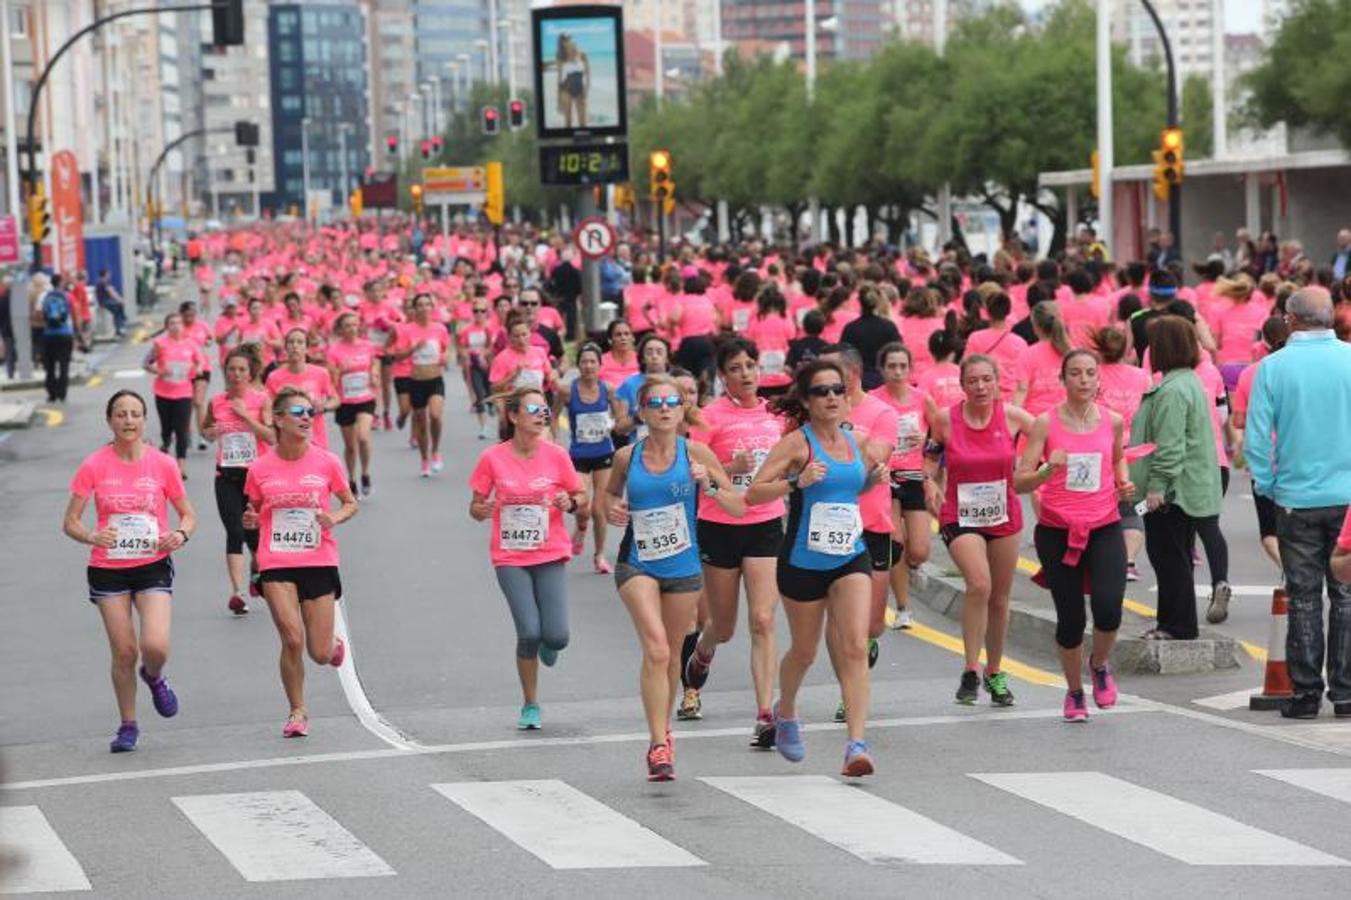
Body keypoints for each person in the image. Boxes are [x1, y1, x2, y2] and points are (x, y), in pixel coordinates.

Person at [746, 359, 888, 777]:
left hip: (849, 553)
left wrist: (871, 481)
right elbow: (755, 493)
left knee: (856, 645)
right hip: (804, 561)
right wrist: (796, 482)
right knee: (805, 651)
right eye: (821, 391)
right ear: (806, 401)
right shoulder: (796, 444)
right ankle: (786, 710)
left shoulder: (857, 441)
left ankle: (856, 745)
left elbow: (851, 486)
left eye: (837, 390)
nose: (831, 398)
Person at [603, 375, 742, 781]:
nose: (664, 408)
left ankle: (664, 732)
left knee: (669, 651)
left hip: (683, 567)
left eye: (672, 402)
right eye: (656, 402)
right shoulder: (627, 457)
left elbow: (736, 505)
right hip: (637, 563)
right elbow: (610, 495)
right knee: (658, 650)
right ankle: (657, 744)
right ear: (643, 412)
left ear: (682, 411)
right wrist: (613, 510)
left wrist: (708, 485)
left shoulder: (696, 452)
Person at [63, 390, 197, 753]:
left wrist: (180, 535)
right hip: (108, 568)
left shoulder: (163, 464)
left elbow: (188, 514)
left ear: (144, 420)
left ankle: (153, 676)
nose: (128, 420)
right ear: (110, 421)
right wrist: (92, 534)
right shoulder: (94, 465)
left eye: (135, 414)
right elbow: (70, 522)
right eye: (121, 414)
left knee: (154, 645)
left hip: (152, 563)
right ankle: (128, 725)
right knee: (123, 651)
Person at [1246, 288, 1351, 719]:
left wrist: (1271, 484)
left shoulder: (1272, 368)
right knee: (1345, 595)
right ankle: (1346, 693)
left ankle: (1306, 692)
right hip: (1348, 500)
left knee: (1304, 596)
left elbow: (1256, 440)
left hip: (1296, 498)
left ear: (1291, 320)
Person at [1014, 350, 1131, 722]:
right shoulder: (1045, 425)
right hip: (1057, 530)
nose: (1083, 380)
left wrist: (1125, 484)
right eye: (1075, 373)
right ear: (1063, 380)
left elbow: (1116, 459)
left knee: (1110, 606)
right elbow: (1019, 479)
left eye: (1090, 373)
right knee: (1070, 619)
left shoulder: (1112, 421)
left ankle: (1098, 664)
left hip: (1104, 524)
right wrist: (1048, 470)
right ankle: (1074, 691)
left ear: (1099, 379)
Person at [682, 339, 786, 745]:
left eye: (751, 366)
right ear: (722, 375)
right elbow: (699, 477)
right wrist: (730, 468)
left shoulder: (776, 415)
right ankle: (703, 650)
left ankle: (764, 712)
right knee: (723, 627)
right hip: (720, 524)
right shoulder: (707, 418)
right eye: (737, 368)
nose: (746, 374)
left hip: (765, 523)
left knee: (762, 618)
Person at [242, 386, 359, 738]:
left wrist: (334, 518)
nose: (307, 418)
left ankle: (332, 646)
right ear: (277, 420)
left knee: (319, 652)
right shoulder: (259, 468)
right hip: (276, 559)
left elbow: (350, 502)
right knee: (291, 638)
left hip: (318, 558)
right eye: (298, 412)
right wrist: (251, 519)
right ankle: (297, 711)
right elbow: (255, 510)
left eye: (310, 412)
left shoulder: (327, 461)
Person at [470, 387, 588, 730]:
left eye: (544, 410)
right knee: (528, 632)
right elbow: (474, 507)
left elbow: (581, 494)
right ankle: (530, 704)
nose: (541, 415)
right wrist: (484, 508)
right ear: (514, 416)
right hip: (510, 557)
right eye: (533, 409)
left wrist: (572, 502)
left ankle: (550, 644)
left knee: (557, 636)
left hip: (550, 552)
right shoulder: (492, 458)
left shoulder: (556, 455)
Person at [926, 355, 1034, 705]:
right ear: (962, 385)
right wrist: (929, 481)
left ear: (997, 382)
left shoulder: (1014, 418)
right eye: (973, 380)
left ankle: (995, 671)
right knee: (979, 584)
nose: (981, 387)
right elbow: (928, 458)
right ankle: (971, 669)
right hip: (960, 513)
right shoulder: (945, 421)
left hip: (1003, 514)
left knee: (1000, 599)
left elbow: (1051, 435)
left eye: (987, 379)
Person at [1127, 316, 1222, 642]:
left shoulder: (1172, 390)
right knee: (1175, 557)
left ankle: (1177, 626)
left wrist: (1156, 487)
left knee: (1169, 558)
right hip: (1186, 488)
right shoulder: (1187, 381)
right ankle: (1171, 623)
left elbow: (1169, 446)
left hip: (1173, 491)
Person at [202, 348, 273, 614]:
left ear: (250, 372)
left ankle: (257, 573)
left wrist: (245, 417)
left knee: (256, 536)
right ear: (226, 372)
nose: (236, 374)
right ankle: (238, 592)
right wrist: (211, 432)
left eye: (242, 369)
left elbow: (271, 437)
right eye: (232, 369)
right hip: (227, 477)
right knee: (234, 531)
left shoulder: (261, 400)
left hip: (256, 479)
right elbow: (206, 432)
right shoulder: (216, 402)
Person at [871, 343, 937, 629]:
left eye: (902, 366)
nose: (898, 372)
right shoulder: (874, 401)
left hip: (914, 476)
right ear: (882, 370)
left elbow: (938, 439)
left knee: (919, 549)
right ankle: (903, 608)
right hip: (885, 478)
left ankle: (914, 565)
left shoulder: (923, 400)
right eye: (891, 366)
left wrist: (930, 474)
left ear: (911, 369)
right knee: (895, 544)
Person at [1090, 326, 1152, 581]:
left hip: (1102, 448)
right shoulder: (1143, 376)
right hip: (1137, 449)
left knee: (1100, 506)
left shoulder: (1091, 377)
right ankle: (1127, 561)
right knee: (1132, 509)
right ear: (1126, 349)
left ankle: (1100, 559)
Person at [566, 343, 625, 573]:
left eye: (593, 361)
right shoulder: (567, 390)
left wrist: (615, 422)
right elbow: (553, 413)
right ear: (578, 364)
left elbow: (620, 416)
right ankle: (581, 525)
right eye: (584, 361)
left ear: (600, 365)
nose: (588, 366)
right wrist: (554, 443)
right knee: (582, 506)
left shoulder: (608, 389)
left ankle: (599, 556)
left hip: (603, 454)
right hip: (579, 454)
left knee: (600, 510)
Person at [390, 293, 451, 477]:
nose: (424, 308)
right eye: (420, 305)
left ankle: (435, 452)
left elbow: (446, 349)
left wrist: (445, 357)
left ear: (432, 308)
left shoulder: (440, 329)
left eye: (427, 304)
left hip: (435, 380)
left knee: (435, 415)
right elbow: (397, 356)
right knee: (421, 424)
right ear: (415, 309)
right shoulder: (407, 330)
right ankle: (424, 459)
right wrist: (413, 349)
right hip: (415, 381)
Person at [145, 312, 206, 479]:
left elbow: (200, 360)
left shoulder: (191, 344)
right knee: (167, 427)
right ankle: (165, 441)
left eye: (178, 322)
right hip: (163, 392)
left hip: (184, 393)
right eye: (172, 323)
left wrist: (199, 367)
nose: (176, 326)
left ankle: (181, 467)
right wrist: (159, 371)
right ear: (167, 327)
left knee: (182, 430)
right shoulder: (160, 344)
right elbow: (146, 363)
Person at [327, 312, 380, 496]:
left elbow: (374, 364)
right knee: (350, 446)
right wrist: (339, 371)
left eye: (354, 325)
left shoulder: (367, 346)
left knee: (363, 437)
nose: (352, 328)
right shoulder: (334, 351)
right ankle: (351, 478)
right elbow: (331, 380)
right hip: (345, 401)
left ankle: (365, 473)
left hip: (365, 398)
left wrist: (374, 374)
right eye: (347, 325)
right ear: (341, 329)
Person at [266, 328, 339, 453]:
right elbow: (268, 408)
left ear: (307, 348)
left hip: (316, 439)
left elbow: (335, 399)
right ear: (286, 348)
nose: (295, 346)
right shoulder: (274, 377)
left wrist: (324, 407)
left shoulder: (321, 373)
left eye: (300, 342)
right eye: (291, 342)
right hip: (288, 441)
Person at [840, 285, 901, 390]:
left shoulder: (850, 328)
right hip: (882, 381)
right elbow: (898, 352)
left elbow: (843, 357)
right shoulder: (888, 327)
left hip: (858, 381)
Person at [40, 274, 76, 403]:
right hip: (65, 334)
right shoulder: (68, 296)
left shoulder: (46, 297)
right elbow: (74, 314)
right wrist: (77, 333)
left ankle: (52, 394)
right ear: (60, 282)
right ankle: (62, 394)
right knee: (64, 365)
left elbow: (41, 314)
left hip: (49, 335)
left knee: (50, 366)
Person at [95, 269, 128, 338]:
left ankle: (120, 327)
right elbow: (111, 293)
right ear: (105, 274)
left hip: (106, 301)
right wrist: (120, 300)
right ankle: (122, 321)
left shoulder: (104, 282)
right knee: (119, 306)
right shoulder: (103, 283)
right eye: (108, 274)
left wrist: (120, 299)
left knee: (117, 310)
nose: (109, 276)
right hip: (104, 302)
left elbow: (113, 291)